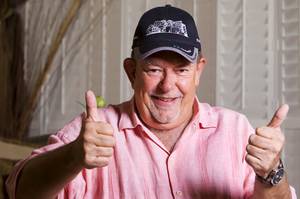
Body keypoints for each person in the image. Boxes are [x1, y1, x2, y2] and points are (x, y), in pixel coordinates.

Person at [6, 5, 297, 199]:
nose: (167, 85)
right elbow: (20, 192)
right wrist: (73, 157)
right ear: (131, 72)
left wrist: (272, 171)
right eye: (154, 69)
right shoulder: (94, 132)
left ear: (199, 71)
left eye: (181, 69)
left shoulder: (234, 129)